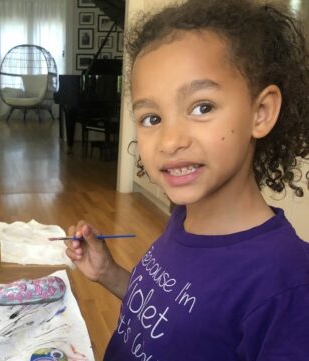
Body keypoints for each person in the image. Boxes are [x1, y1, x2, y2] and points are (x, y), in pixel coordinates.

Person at [64, 0, 309, 360]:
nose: (170, 140)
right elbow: (172, 315)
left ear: (261, 112)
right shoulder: (185, 218)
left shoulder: (287, 281)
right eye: (151, 118)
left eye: (202, 107)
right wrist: (108, 272)